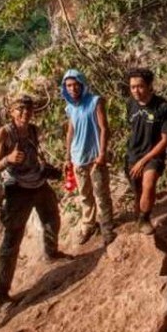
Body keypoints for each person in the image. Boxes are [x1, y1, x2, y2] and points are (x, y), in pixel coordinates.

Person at [0, 94, 69, 308]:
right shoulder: (4, 133)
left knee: (52, 218)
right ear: (11, 111)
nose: (25, 113)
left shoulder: (33, 130)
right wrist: (8, 159)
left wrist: (45, 168)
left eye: (28, 109)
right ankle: (1, 293)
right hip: (17, 188)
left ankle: (51, 252)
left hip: (38, 182)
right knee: (12, 240)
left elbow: (35, 153)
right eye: (20, 109)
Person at [60, 69, 115, 246]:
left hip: (94, 158)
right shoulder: (70, 107)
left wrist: (102, 154)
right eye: (68, 85)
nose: (72, 88)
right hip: (78, 158)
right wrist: (68, 156)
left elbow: (104, 128)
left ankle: (107, 226)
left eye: (75, 84)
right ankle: (89, 225)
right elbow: (71, 131)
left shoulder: (95, 101)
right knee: (84, 195)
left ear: (82, 84)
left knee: (101, 193)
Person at [124, 67, 167, 235]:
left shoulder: (162, 106)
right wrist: (134, 157)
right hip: (133, 155)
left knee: (149, 184)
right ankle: (140, 218)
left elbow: (166, 139)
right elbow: (132, 129)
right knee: (138, 192)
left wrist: (144, 160)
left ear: (150, 85)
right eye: (132, 87)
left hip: (153, 155)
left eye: (140, 86)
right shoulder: (130, 104)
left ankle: (145, 219)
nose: (136, 90)